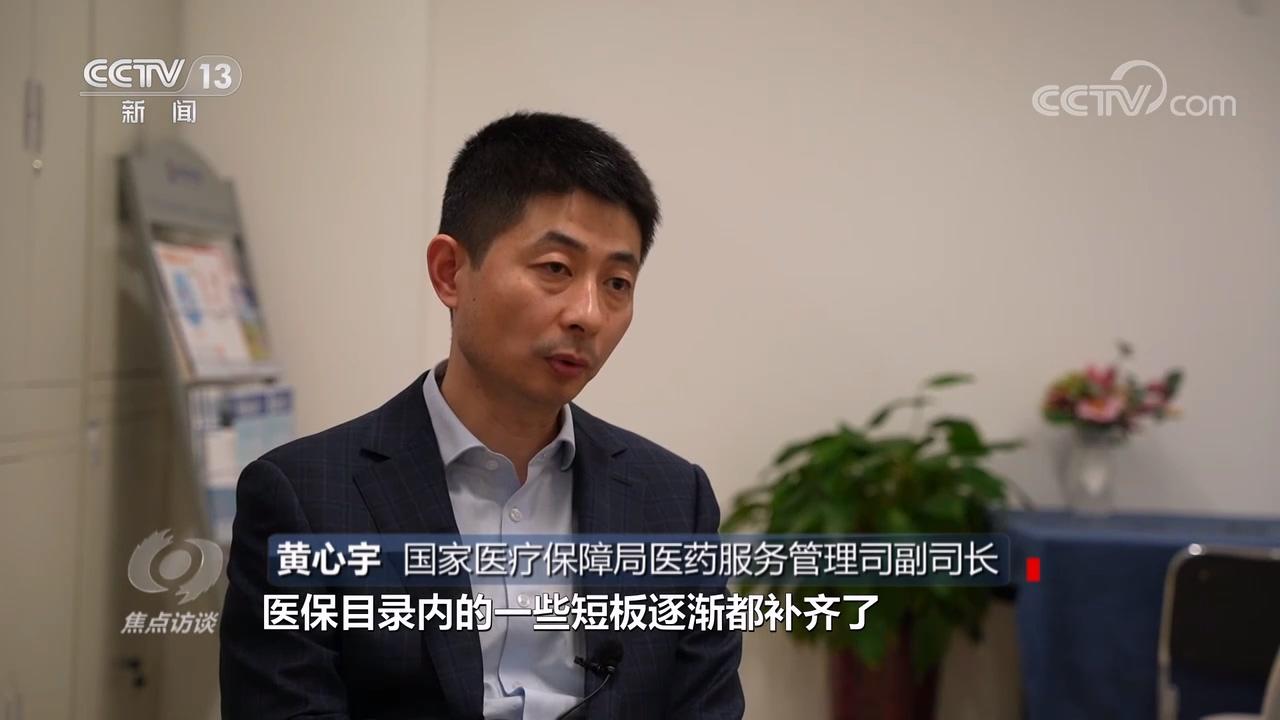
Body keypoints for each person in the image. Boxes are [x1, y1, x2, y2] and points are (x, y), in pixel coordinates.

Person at [219, 111, 745, 720]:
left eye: (618, 283)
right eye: (556, 269)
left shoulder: (675, 501)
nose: (588, 314)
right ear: (450, 272)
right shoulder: (304, 499)